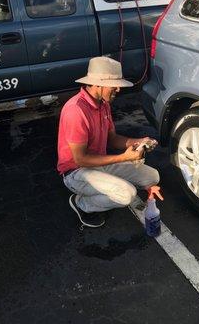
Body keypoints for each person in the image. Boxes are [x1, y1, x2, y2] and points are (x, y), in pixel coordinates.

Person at [57, 56, 163, 228]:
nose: (118, 90)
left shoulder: (103, 103)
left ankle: (107, 186)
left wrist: (139, 141)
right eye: (115, 85)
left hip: (98, 163)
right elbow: (80, 159)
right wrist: (124, 158)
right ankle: (81, 203)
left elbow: (112, 139)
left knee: (152, 176)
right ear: (98, 84)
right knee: (127, 194)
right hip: (77, 172)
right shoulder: (75, 110)